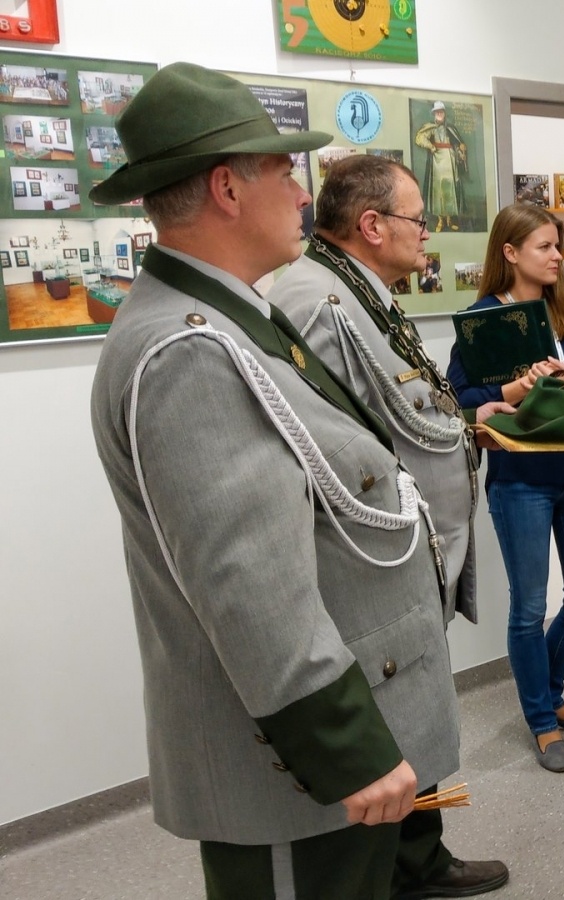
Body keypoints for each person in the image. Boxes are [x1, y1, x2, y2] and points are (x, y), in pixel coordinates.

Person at [87, 63, 461, 898]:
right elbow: (247, 584)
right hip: (292, 776)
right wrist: (348, 750)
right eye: (281, 169)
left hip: (308, 766)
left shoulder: (229, 317)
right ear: (226, 187)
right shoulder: (190, 351)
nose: (299, 194)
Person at [268, 154, 510, 899]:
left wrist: (468, 423)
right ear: (372, 226)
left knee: (415, 713)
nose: (427, 234)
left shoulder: (356, 290)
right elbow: (346, 451)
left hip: (410, 549)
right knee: (395, 717)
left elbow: (408, 409)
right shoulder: (318, 301)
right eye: (418, 219)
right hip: (378, 559)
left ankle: (420, 856)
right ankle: (407, 865)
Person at [447, 203, 564, 774]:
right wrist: (517, 389)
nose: (557, 257)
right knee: (530, 609)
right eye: (545, 246)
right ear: (510, 252)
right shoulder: (481, 321)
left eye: (558, 246)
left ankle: (549, 691)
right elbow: (461, 400)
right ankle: (544, 720)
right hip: (521, 483)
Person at [414, 100, 468, 232]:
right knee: (438, 190)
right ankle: (440, 220)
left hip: (450, 160)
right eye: (437, 112)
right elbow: (420, 138)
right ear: (434, 114)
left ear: (444, 113)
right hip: (437, 161)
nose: (439, 113)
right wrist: (430, 146)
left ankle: (449, 220)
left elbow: (458, 144)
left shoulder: (451, 128)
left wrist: (461, 150)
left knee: (449, 189)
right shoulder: (430, 127)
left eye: (441, 111)